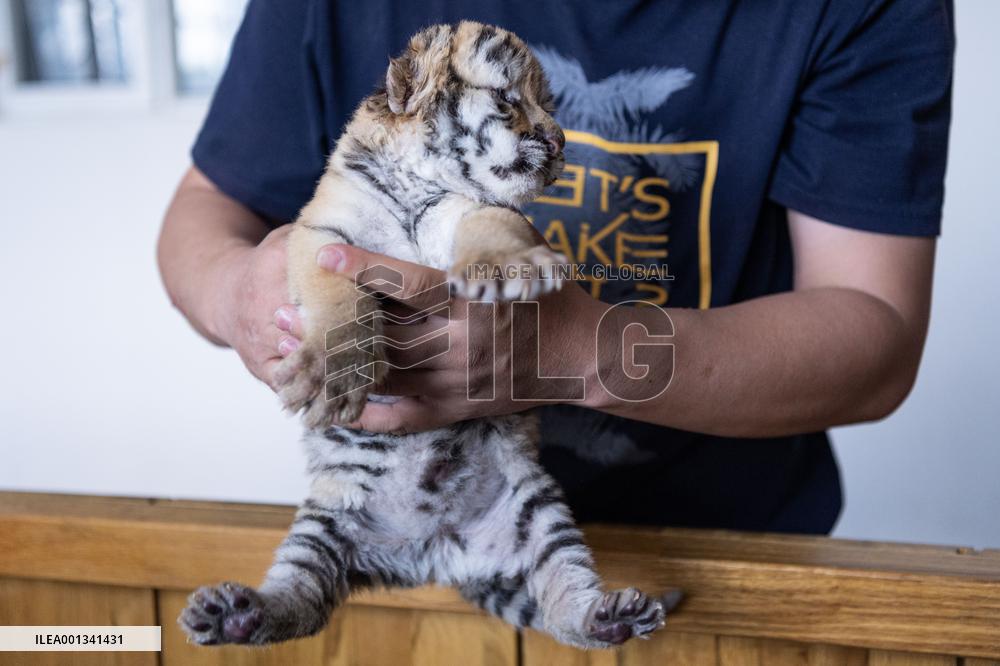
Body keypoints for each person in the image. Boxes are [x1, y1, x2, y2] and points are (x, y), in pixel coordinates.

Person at [157, 0, 954, 534]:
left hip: (724, 563)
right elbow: (205, 210)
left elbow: (872, 339)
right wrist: (244, 295)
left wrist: (568, 354)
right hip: (410, 551)